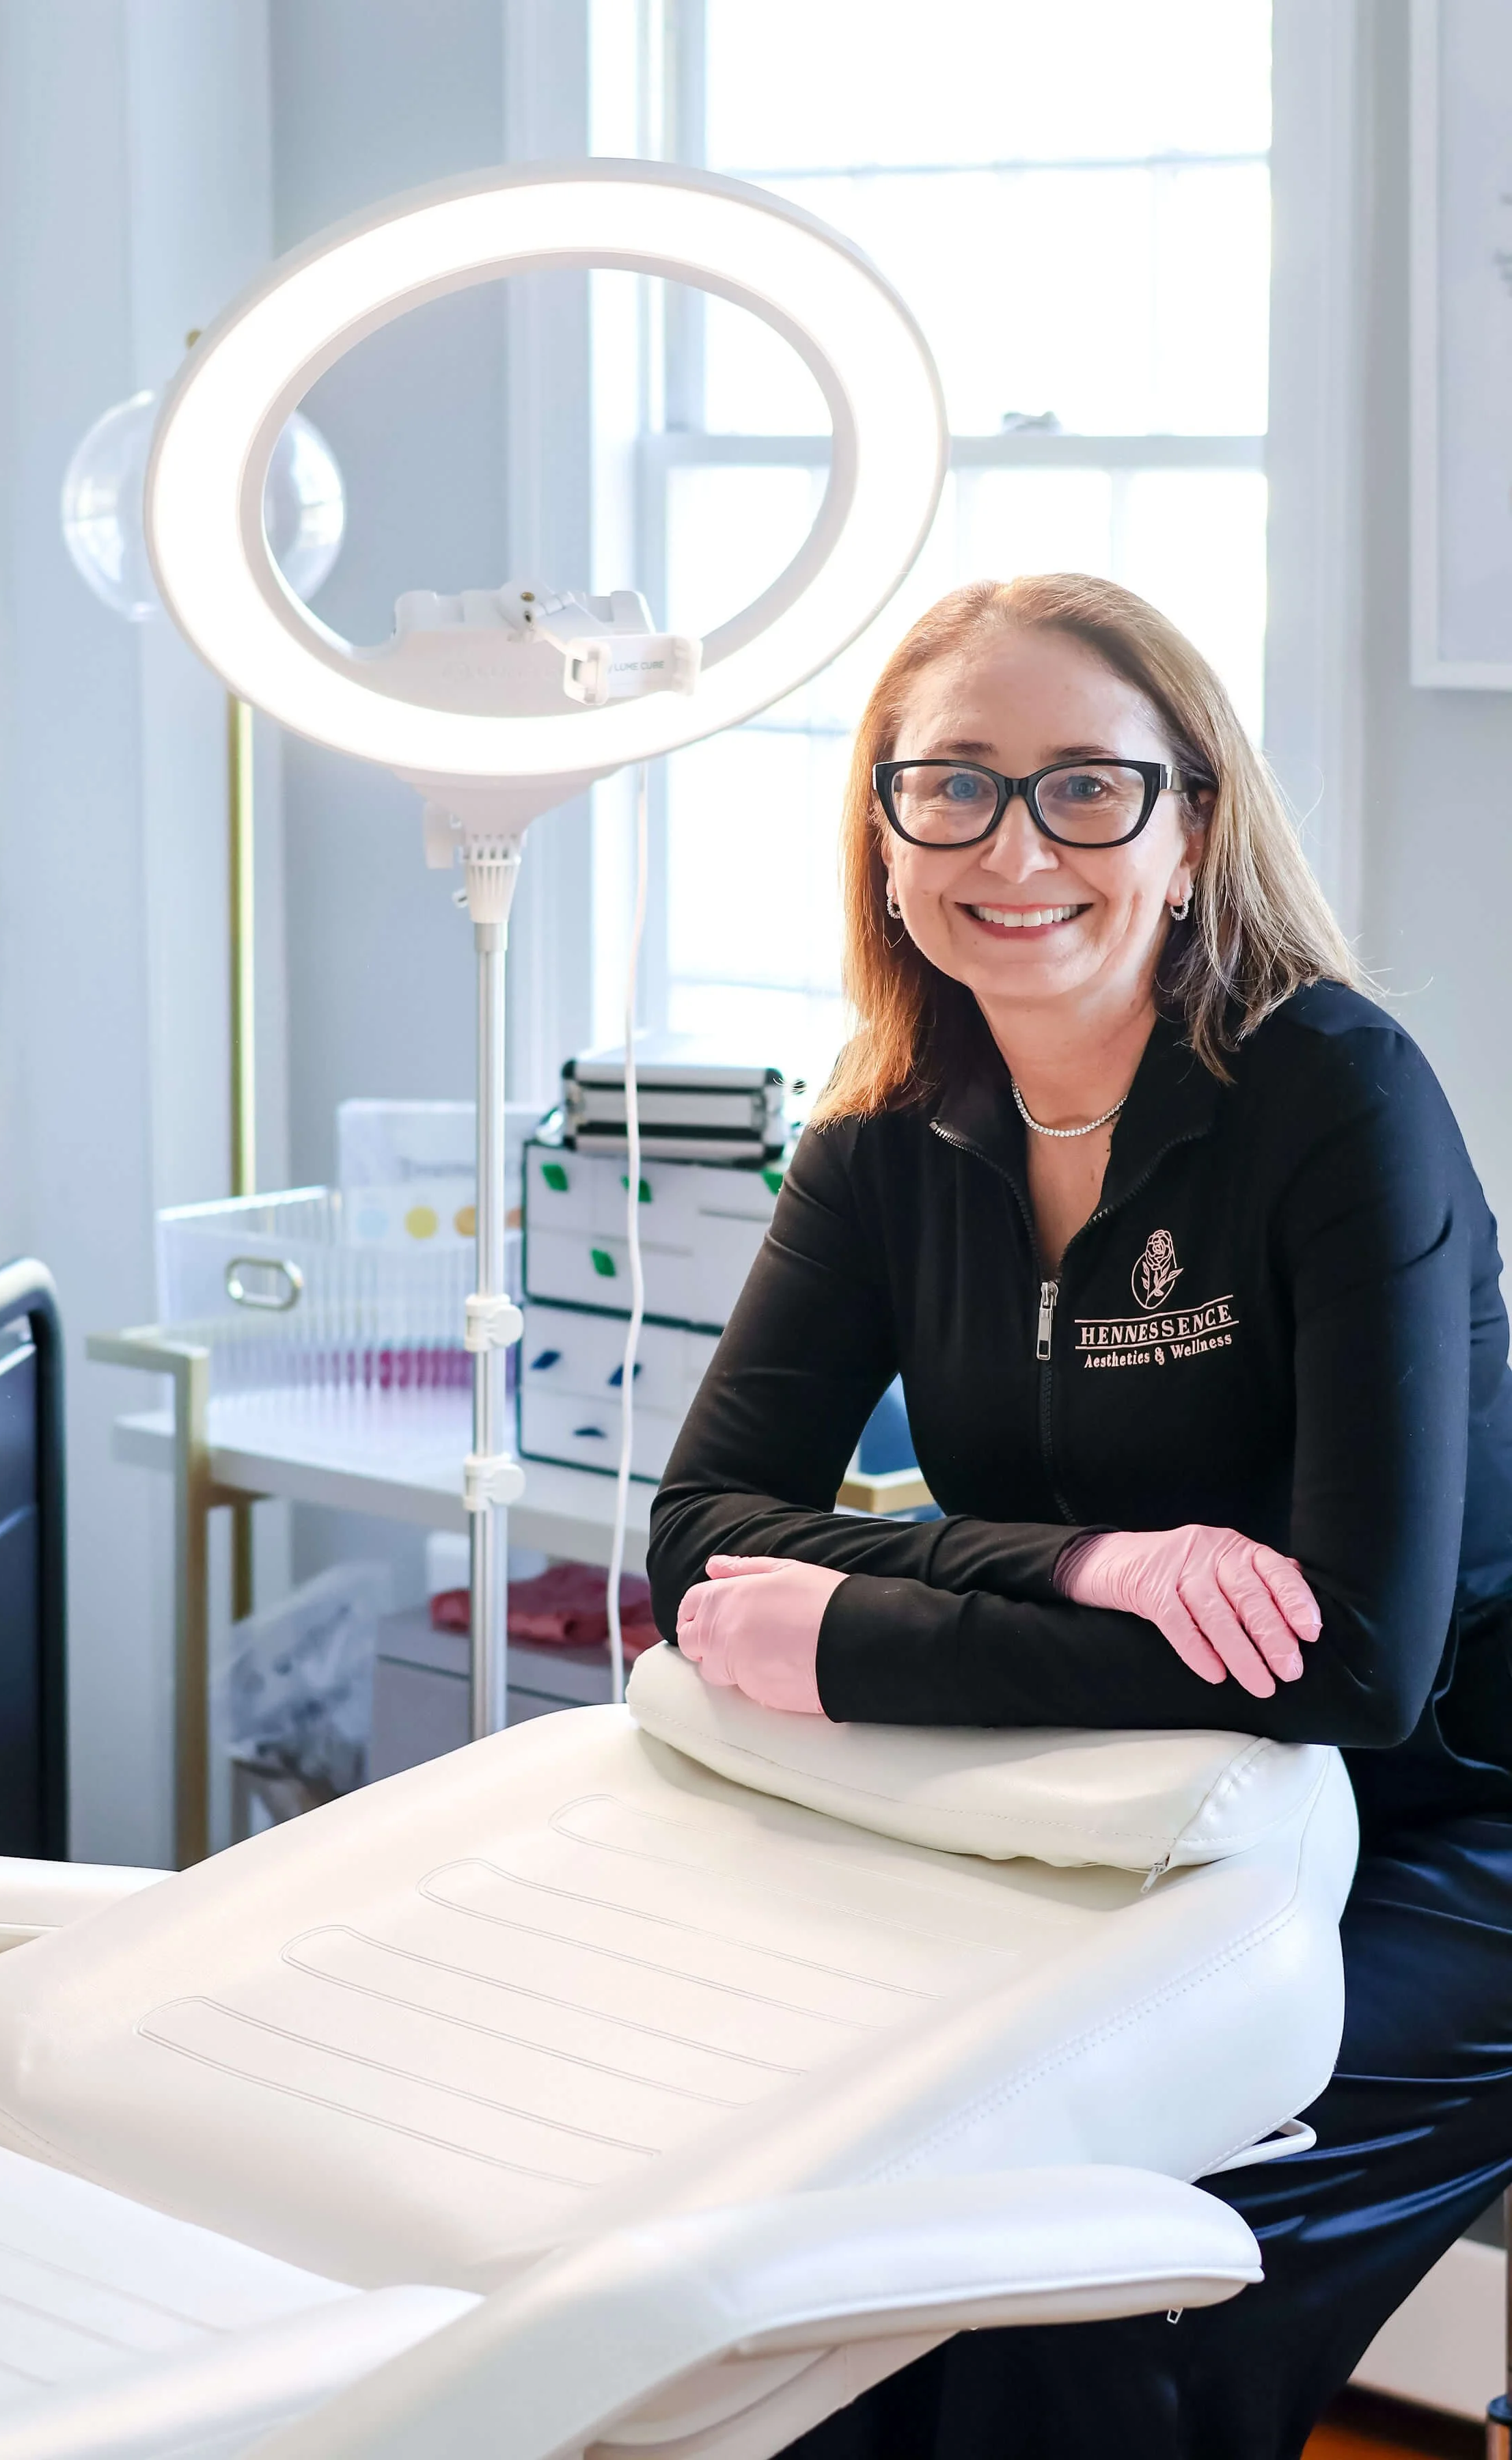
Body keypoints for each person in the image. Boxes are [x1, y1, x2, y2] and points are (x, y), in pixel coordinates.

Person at [646, 573, 1512, 2460]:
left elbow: (1355, 1664)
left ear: (1191, 825)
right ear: (883, 836)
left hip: (1450, 1827)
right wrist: (1081, 1564)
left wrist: (857, 1623)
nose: (1014, 845)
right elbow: (701, 1537)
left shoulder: (1333, 1099)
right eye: (951, 785)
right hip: (1101, 1796)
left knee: (1107, 2255)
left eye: (1086, 789)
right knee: (831, 2204)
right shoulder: (888, 1135)